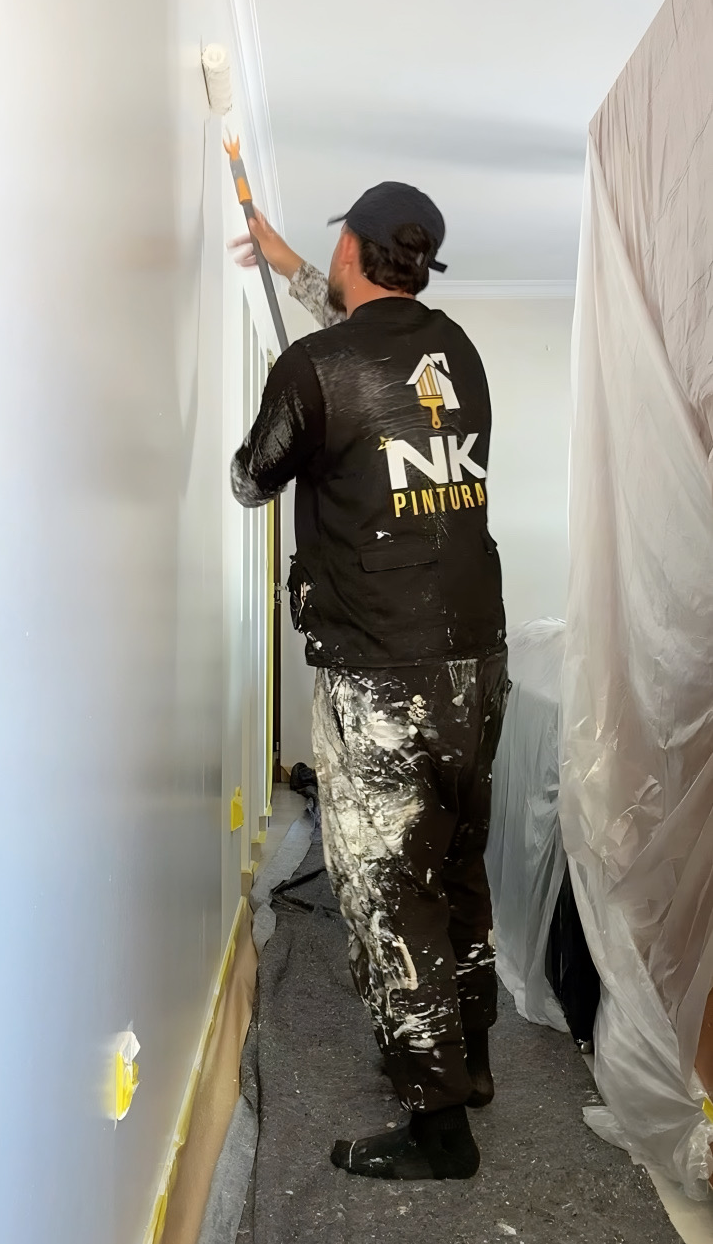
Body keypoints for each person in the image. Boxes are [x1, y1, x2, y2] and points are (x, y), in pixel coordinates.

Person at [229, 183, 509, 1182]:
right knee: (454, 867)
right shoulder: (456, 353)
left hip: (380, 676)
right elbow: (368, 348)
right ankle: (469, 1063)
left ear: (349, 245)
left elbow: (252, 477)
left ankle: (439, 1127)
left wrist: (290, 440)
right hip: (473, 662)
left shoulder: (314, 370)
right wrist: (287, 268)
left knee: (389, 895)